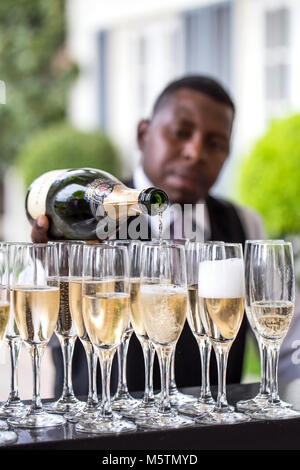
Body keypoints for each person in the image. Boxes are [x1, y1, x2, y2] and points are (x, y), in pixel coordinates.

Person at [32, 75, 268, 397]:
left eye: (215, 143)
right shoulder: (88, 214)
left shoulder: (245, 225)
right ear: (143, 135)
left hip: (209, 433)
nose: (195, 152)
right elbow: (33, 326)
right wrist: (51, 273)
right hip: (96, 431)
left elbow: (285, 341)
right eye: (180, 133)